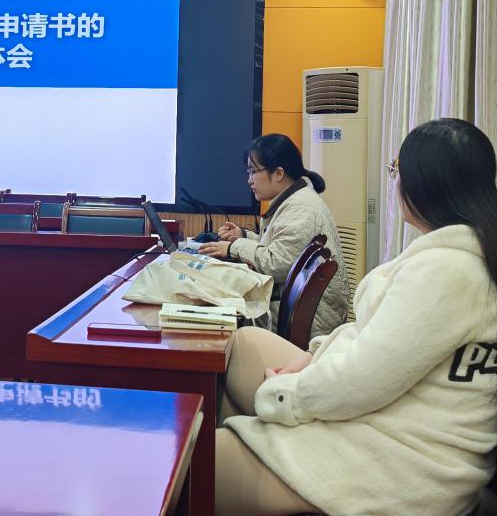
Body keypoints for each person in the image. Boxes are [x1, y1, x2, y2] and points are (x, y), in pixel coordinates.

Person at [215, 118, 497, 516]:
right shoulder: (462, 256)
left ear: (425, 183)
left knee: (197, 460)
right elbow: (379, 342)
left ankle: (251, 459)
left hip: (397, 462)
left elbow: (363, 381)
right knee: (242, 343)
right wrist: (312, 356)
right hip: (388, 425)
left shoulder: (447, 271)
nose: (395, 180)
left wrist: (284, 394)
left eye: (396, 169)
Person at [199, 133, 348, 338]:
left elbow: (276, 263)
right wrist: (242, 236)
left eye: (253, 172)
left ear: (278, 173)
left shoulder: (301, 208)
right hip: (303, 312)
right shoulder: (295, 200)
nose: (249, 180)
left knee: (216, 315)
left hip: (311, 322)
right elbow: (282, 248)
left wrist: (234, 247)